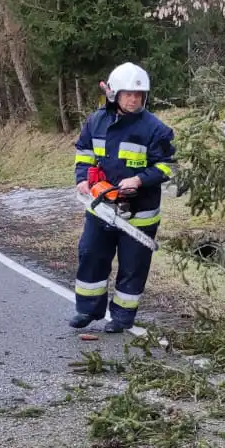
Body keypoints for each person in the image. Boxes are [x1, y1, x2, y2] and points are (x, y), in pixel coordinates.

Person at [69, 62, 177, 333]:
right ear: (114, 93)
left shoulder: (156, 129)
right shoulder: (97, 121)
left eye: (139, 95)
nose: (134, 99)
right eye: (129, 94)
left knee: (133, 266)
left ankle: (122, 317)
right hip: (101, 207)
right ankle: (87, 310)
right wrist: (82, 179)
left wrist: (140, 179)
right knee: (91, 255)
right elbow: (84, 151)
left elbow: (168, 166)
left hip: (139, 213)